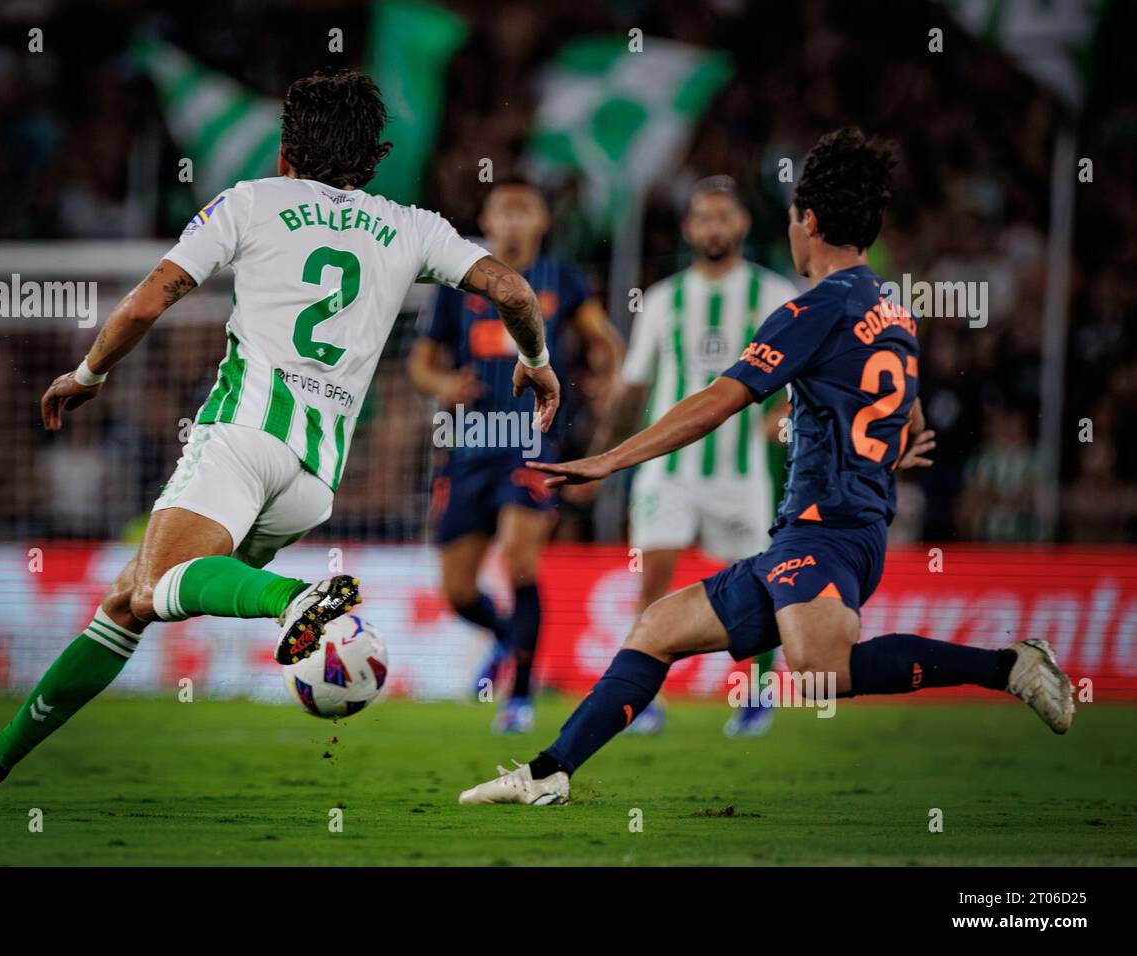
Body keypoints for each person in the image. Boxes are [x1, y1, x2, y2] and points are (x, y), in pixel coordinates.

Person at [0, 69, 560, 811]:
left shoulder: (252, 201)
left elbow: (145, 302)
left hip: (241, 438)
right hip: (314, 482)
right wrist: (538, 365)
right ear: (375, 157)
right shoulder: (413, 225)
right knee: (130, 600)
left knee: (161, 584)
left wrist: (88, 372)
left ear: (287, 151)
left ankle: (297, 601)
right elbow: (514, 291)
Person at [458, 128, 1073, 807]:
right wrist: (896, 443)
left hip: (827, 529)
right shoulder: (892, 308)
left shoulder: (811, 308)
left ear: (807, 222)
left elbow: (718, 402)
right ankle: (550, 773)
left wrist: (611, 459)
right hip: (828, 529)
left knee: (818, 672)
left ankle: (1008, 664)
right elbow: (910, 412)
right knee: (657, 629)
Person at [409, 177, 621, 733]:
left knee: (520, 559)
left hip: (530, 442)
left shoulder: (561, 281)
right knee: (457, 591)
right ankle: (510, 638)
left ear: (541, 222)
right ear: (487, 217)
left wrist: (606, 376)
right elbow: (420, 363)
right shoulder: (456, 283)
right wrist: (442, 385)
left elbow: (605, 344)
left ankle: (521, 698)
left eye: (525, 209)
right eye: (504, 209)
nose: (513, 219)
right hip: (467, 445)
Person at [591, 176, 797, 737]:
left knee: (762, 584)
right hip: (669, 472)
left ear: (742, 224)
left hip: (740, 474)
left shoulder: (775, 295)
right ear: (688, 228)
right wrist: (604, 456)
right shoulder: (662, 300)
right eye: (703, 217)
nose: (713, 226)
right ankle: (641, 700)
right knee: (652, 578)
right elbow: (634, 388)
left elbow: (803, 380)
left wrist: (783, 417)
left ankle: (757, 693)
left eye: (722, 216)